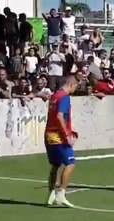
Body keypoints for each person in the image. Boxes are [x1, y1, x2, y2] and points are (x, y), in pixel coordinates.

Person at [45, 75, 79, 207]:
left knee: (55, 165)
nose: (75, 89)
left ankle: (51, 194)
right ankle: (61, 194)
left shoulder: (54, 96)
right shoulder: (64, 97)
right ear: (71, 84)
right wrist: (67, 135)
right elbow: (60, 116)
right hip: (58, 136)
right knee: (70, 163)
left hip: (49, 134)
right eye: (75, 87)